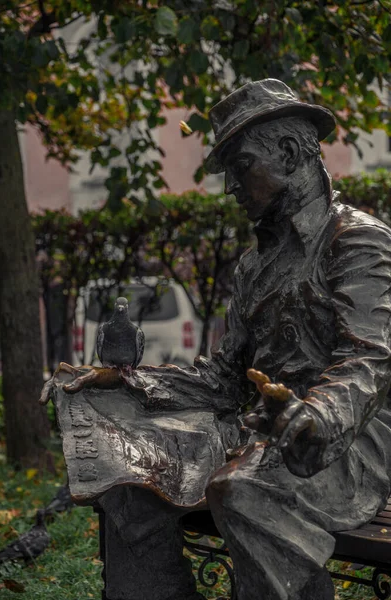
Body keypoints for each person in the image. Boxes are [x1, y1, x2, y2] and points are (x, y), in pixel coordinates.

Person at [41, 79, 391, 600]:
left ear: (291, 153)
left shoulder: (355, 239)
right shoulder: (254, 268)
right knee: (129, 474)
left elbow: (369, 361)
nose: (230, 186)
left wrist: (311, 417)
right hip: (257, 434)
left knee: (244, 491)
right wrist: (128, 380)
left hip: (349, 443)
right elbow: (227, 377)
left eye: (241, 165)